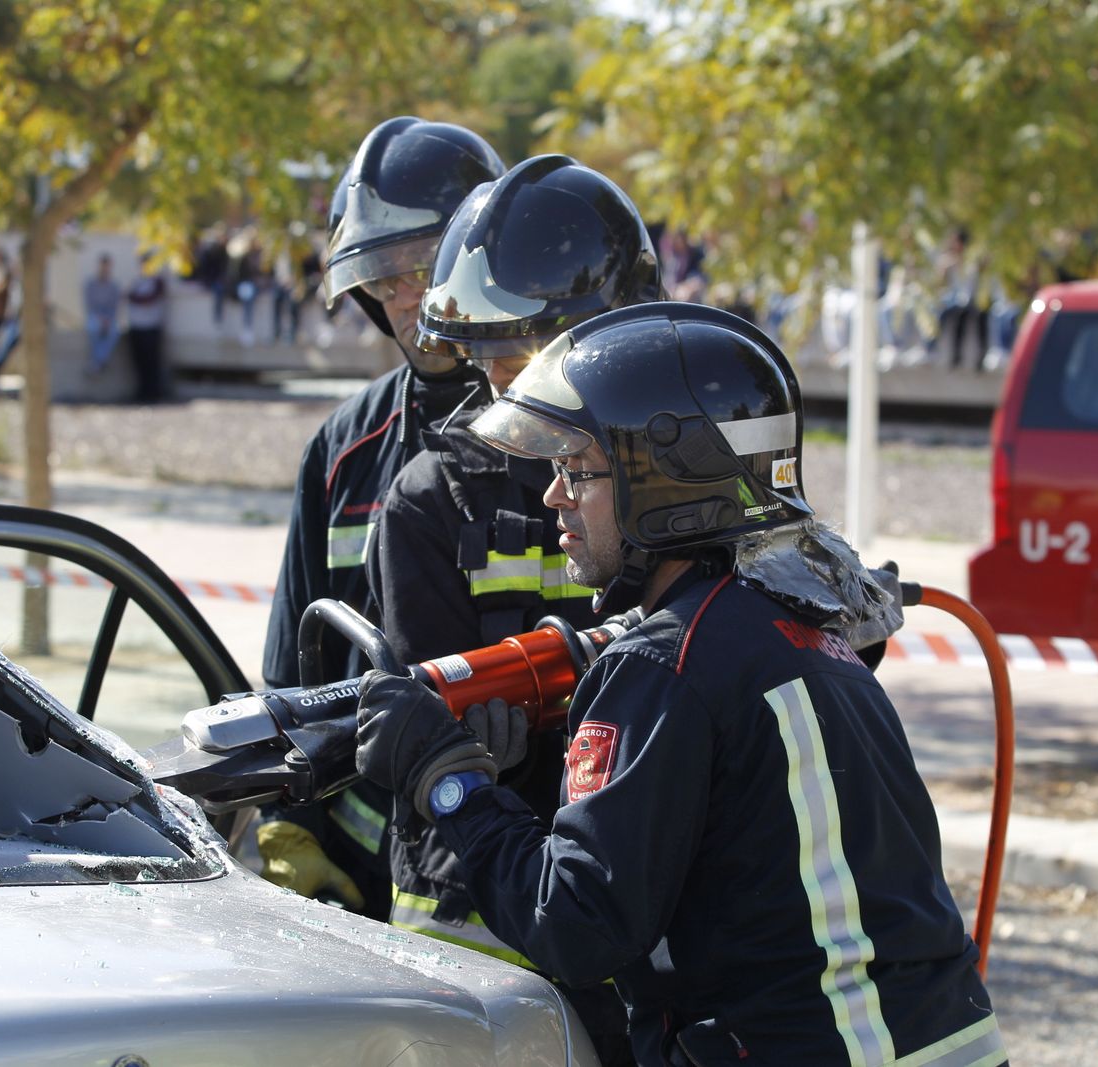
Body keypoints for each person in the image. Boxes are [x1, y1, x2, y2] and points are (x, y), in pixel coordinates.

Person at [353, 302, 1005, 1066]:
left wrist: (448, 782)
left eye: (575, 469)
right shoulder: (808, 627)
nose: (552, 496)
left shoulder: (661, 666)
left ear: (663, 486)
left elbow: (574, 926)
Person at [361, 154, 665, 1065]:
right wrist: (457, 756)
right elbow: (423, 719)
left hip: (641, 896)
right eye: (479, 343)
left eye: (514, 343)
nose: (490, 367)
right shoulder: (429, 500)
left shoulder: (680, 477)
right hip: (475, 924)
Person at [254, 117, 506, 920]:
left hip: (536, 857)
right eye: (381, 276)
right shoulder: (340, 450)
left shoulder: (567, 439)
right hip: (370, 876)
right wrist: (289, 832)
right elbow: (289, 685)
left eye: (421, 269)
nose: (404, 298)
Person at [125, 253, 169, 402]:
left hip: (151, 327)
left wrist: (137, 299)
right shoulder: (137, 280)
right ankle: (142, 391)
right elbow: (129, 296)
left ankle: (154, 392)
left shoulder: (157, 281)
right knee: (140, 362)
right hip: (136, 327)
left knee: (153, 362)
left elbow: (148, 299)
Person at [83, 254, 122, 375]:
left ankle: (97, 362)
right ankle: (100, 362)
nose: (104, 269)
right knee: (94, 329)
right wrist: (100, 318)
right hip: (95, 316)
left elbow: (115, 306)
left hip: (109, 317)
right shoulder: (91, 284)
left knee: (114, 332)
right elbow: (90, 305)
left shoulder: (113, 286)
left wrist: (108, 319)